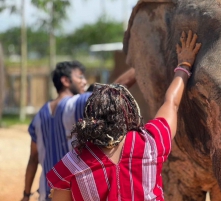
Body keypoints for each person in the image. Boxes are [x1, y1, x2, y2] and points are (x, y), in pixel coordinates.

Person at [46, 30, 201, 201]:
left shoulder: (74, 161)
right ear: (129, 114)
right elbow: (171, 102)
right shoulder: (150, 143)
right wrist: (185, 65)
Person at [21, 61, 137, 201]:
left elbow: (33, 159)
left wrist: (26, 195)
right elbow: (112, 94)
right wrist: (141, 66)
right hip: (71, 195)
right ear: (65, 80)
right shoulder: (75, 104)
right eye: (80, 77)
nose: (85, 81)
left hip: (46, 195)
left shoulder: (39, 116)